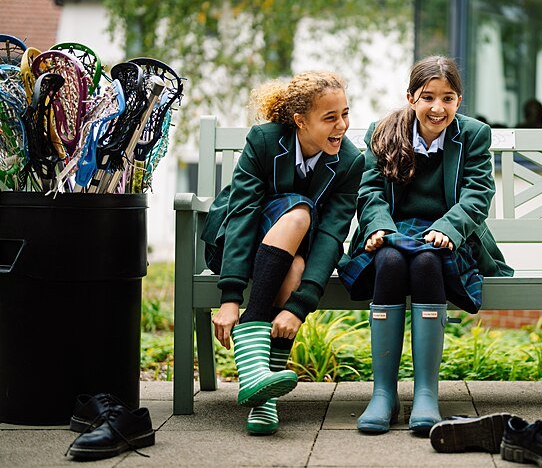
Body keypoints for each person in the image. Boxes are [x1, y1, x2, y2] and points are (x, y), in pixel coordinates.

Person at [339, 56, 513, 435]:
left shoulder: (474, 135)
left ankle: (425, 394)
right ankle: (383, 394)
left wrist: (449, 228)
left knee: (426, 263)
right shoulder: (384, 132)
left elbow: (478, 194)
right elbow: (369, 191)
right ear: (411, 98)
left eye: (448, 98)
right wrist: (377, 226)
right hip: (393, 232)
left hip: (448, 238)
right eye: (428, 97)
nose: (438, 107)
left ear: (458, 101)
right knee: (389, 260)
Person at [200, 71, 365, 435]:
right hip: (237, 247)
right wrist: (230, 296)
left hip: (290, 255)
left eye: (345, 114)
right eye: (330, 117)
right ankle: (255, 321)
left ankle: (263, 396)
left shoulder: (350, 162)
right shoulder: (264, 140)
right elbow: (243, 212)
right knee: (299, 209)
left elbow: (331, 236)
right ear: (300, 120)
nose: (342, 125)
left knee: (296, 268)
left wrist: (298, 307)